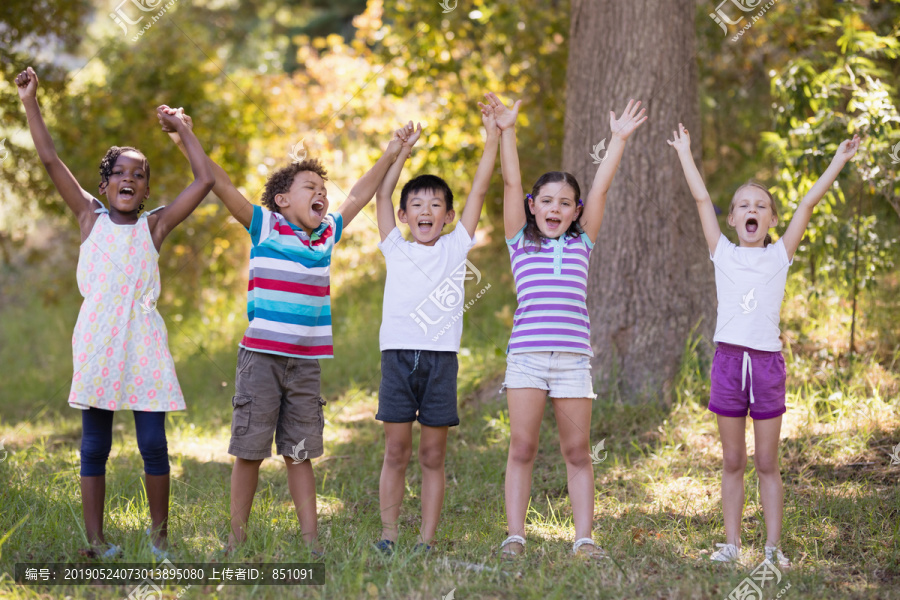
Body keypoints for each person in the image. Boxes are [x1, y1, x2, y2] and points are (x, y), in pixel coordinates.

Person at [161, 110, 405, 555]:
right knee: (250, 450)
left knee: (301, 452)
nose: (322, 195)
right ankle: (236, 540)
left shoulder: (326, 234)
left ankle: (311, 542)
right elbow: (218, 183)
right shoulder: (264, 225)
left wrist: (390, 153)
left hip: (304, 364)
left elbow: (358, 195)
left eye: (322, 190)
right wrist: (185, 138)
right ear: (280, 200)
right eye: (310, 188)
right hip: (261, 359)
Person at [16, 66, 215, 558]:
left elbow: (206, 178)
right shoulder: (89, 218)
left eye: (139, 174)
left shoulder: (155, 226)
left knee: (153, 443)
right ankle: (97, 541)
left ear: (147, 191)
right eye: (120, 173)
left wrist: (182, 130)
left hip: (144, 342)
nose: (130, 178)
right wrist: (29, 102)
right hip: (100, 341)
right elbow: (48, 158)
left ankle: (160, 539)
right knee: (94, 447)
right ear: (104, 187)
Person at [668, 121, 860, 567]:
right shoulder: (722, 251)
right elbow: (700, 198)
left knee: (767, 462)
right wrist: (684, 152)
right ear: (732, 218)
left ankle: (774, 550)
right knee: (732, 460)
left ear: (771, 219)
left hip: (767, 364)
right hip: (728, 362)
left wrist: (840, 158)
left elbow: (810, 200)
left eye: (761, 206)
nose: (752, 210)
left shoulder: (780, 254)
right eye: (742, 205)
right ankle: (731, 545)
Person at [488, 91, 647, 559]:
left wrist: (617, 139)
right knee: (522, 446)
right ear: (535, 207)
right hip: (528, 359)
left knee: (577, 451)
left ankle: (584, 538)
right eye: (548, 201)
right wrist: (508, 131)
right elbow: (511, 184)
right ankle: (515, 536)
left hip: (574, 361)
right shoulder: (520, 242)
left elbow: (600, 188)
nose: (556, 208)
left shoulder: (583, 244)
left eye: (566, 202)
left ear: (576, 211)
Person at [372, 103, 499, 555]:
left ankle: (426, 540)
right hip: (397, 359)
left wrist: (493, 138)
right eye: (417, 205)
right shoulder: (395, 247)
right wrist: (400, 154)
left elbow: (480, 189)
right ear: (405, 216)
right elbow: (380, 197)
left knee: (432, 456)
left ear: (447, 216)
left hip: (441, 361)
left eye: (436, 205)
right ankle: (388, 536)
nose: (426, 210)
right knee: (397, 452)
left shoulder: (455, 246)